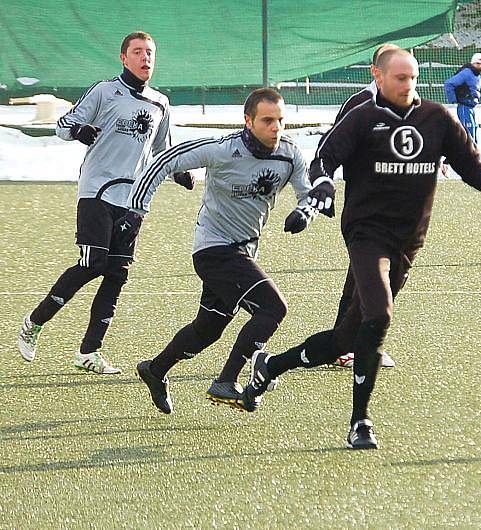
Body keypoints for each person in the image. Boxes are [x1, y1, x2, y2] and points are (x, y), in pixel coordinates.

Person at [238, 49, 481, 449]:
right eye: (399, 78)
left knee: (347, 338)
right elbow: (324, 158)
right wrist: (322, 186)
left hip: (408, 241)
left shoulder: (437, 119)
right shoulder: (362, 116)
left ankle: (271, 366)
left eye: (412, 78)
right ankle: (360, 422)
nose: (407, 86)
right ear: (378, 76)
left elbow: (470, 164)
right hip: (366, 235)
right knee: (380, 314)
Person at [122, 88, 316, 414]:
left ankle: (155, 370)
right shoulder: (223, 148)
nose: (275, 128)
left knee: (206, 330)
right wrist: (136, 209)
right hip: (213, 250)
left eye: (280, 120)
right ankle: (226, 381)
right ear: (248, 121)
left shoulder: (290, 154)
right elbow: (165, 160)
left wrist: (304, 212)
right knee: (272, 308)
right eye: (267, 120)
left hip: (244, 252)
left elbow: (307, 191)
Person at [17, 31, 193, 374]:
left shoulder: (160, 103)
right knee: (92, 263)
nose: (146, 59)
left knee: (117, 272)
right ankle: (34, 322)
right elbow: (63, 124)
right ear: (124, 58)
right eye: (138, 52)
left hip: (133, 200)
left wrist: (178, 171)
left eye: (150, 53)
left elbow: (161, 151)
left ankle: (89, 352)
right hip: (97, 191)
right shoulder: (104, 91)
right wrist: (80, 131)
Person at [328, 42, 399, 369]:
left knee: (389, 273)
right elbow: (331, 148)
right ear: (377, 71)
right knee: (364, 274)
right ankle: (344, 345)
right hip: (364, 204)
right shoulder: (359, 104)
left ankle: (360, 343)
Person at [444, 53, 481, 144]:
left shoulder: (476, 74)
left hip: (471, 106)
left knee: (473, 129)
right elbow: (449, 84)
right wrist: (453, 99)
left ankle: (474, 153)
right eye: (477, 63)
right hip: (464, 106)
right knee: (467, 132)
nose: (479, 66)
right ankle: (465, 155)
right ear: (472, 63)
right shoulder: (466, 73)